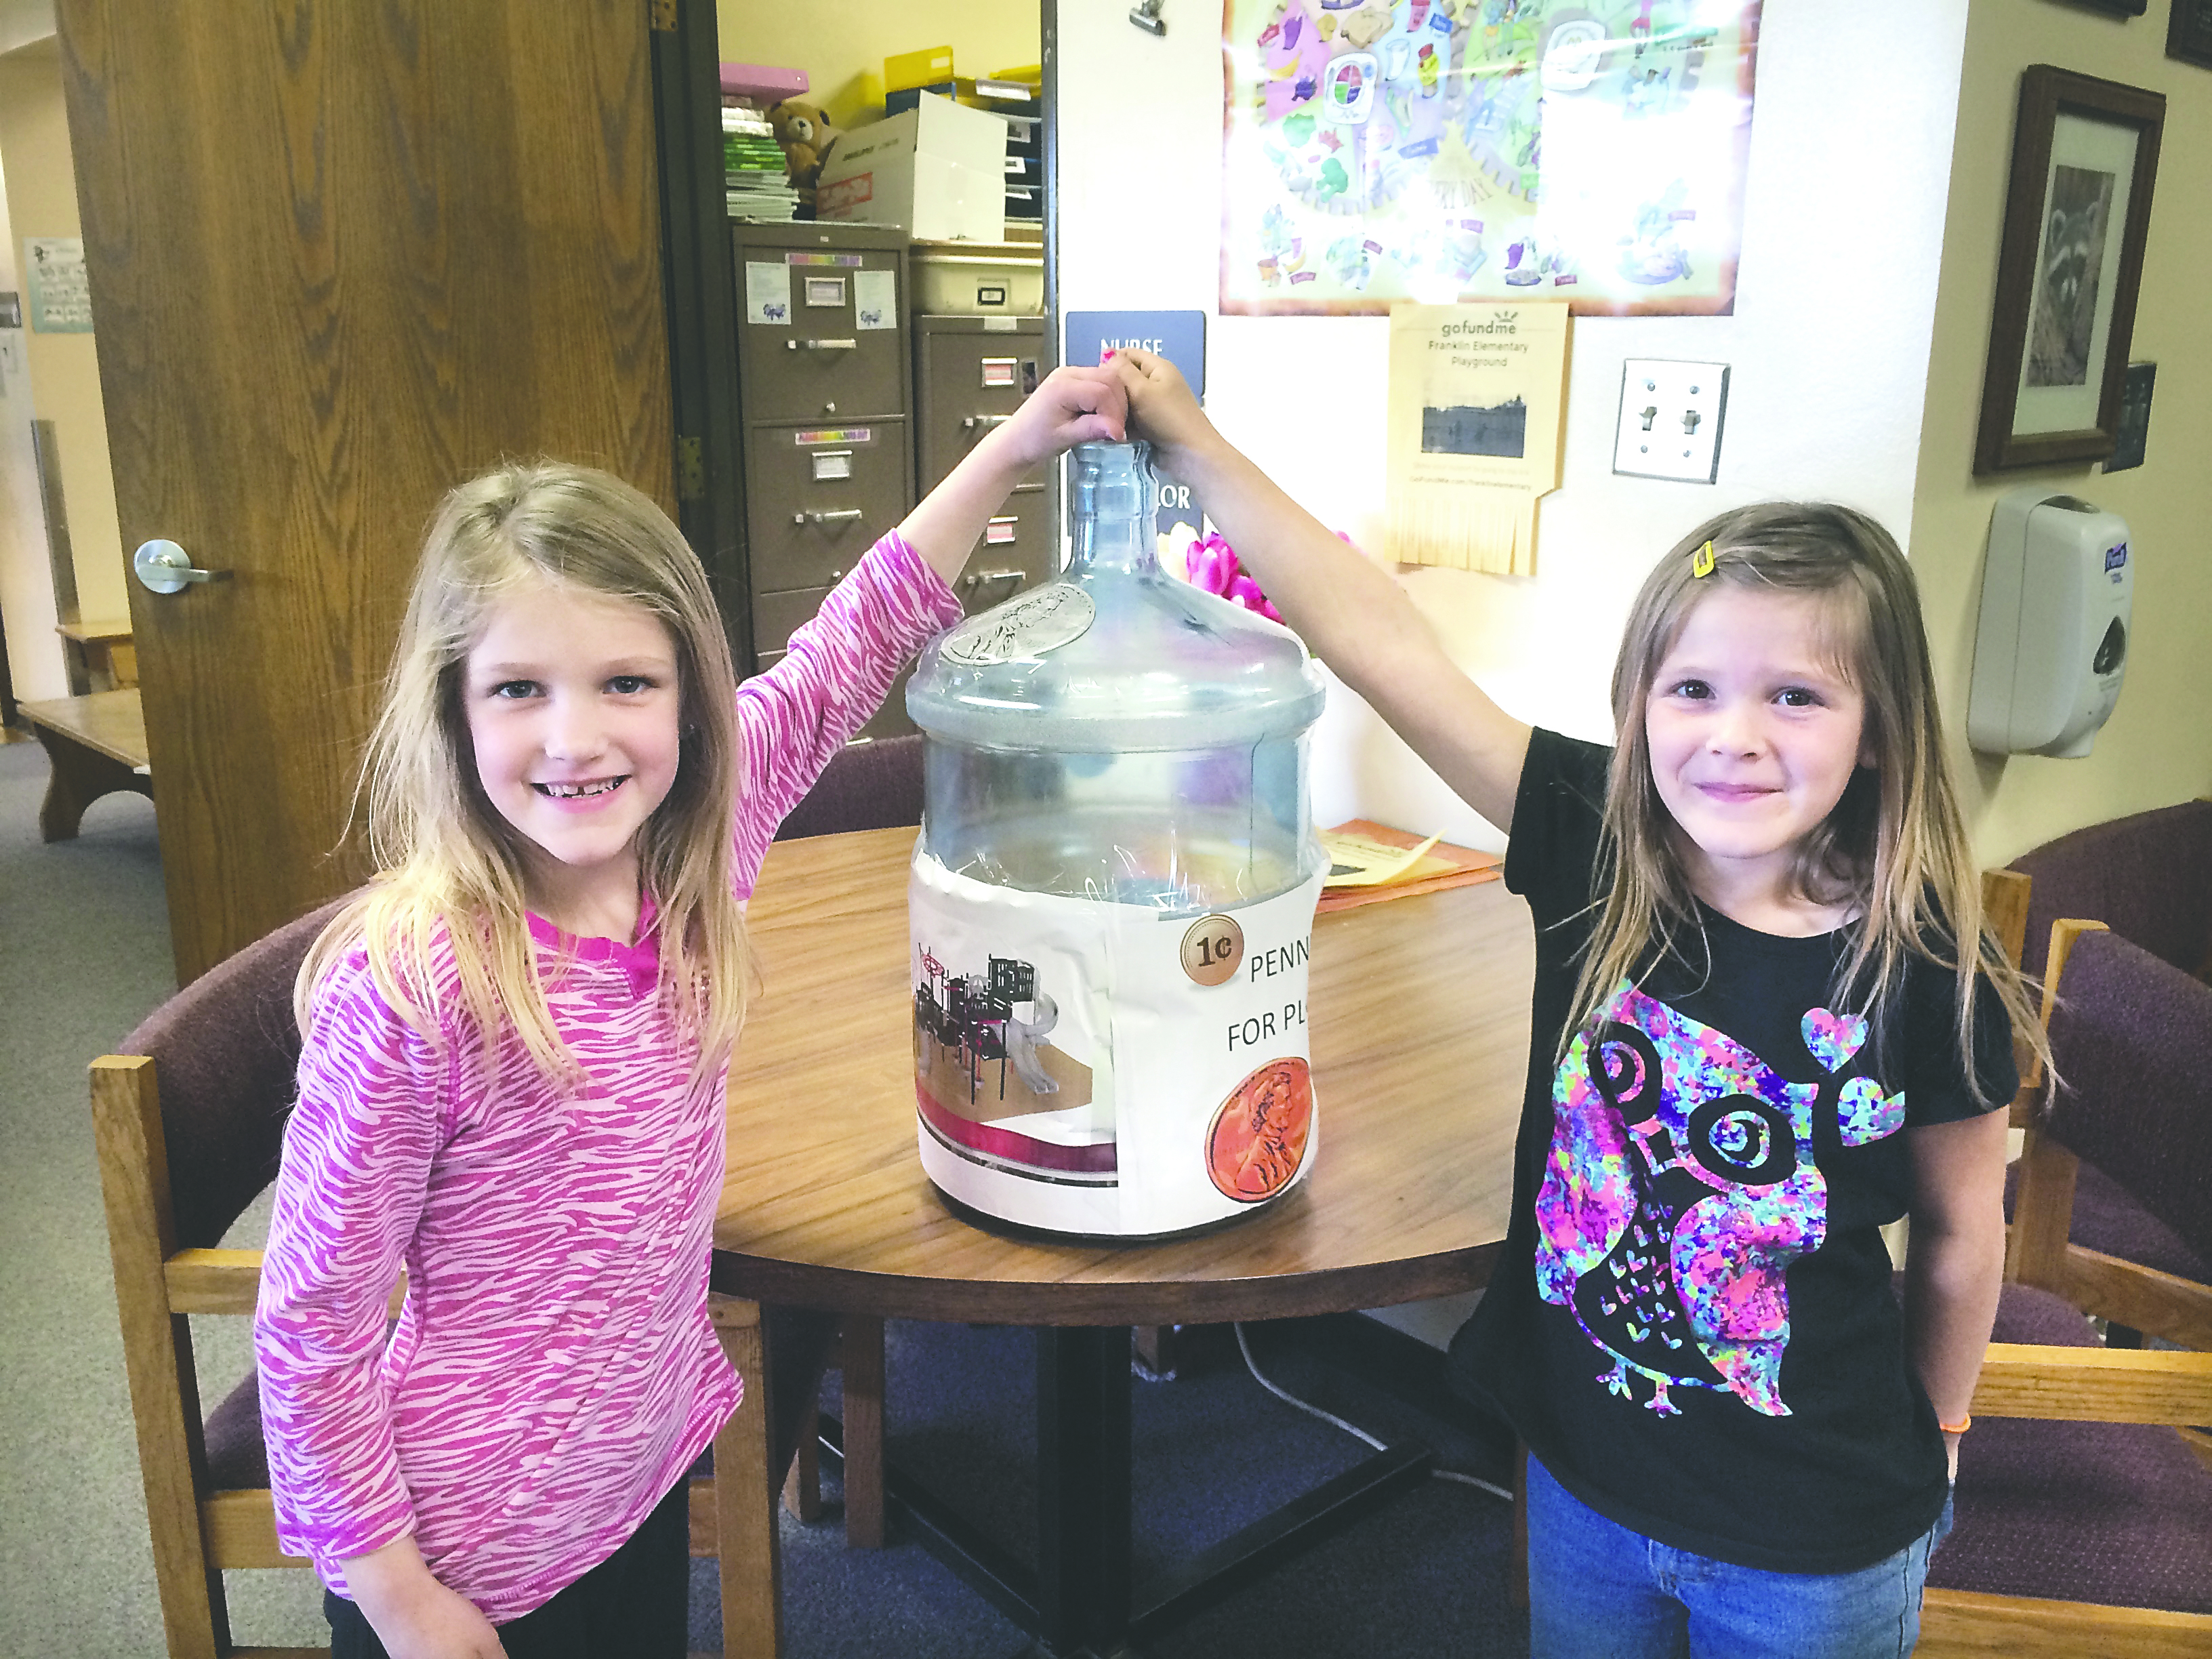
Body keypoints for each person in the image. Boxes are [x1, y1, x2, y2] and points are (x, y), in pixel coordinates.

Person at [1108, 348, 2046, 1658]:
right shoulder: (1598, 849)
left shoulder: (1923, 962)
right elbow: (1379, 642)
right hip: (1583, 1491)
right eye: (1695, 690)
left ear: (1878, 727)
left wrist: (1944, 1436)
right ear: (1639, 704)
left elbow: (1961, 1234)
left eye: (1797, 696)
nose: (1736, 737)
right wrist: (1187, 436)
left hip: (1814, 1542)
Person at [254, 366, 1130, 1659]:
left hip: (638, 1484)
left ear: (687, 696)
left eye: (626, 683)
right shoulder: (417, 983)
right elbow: (310, 1325)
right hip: (467, 1559)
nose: (575, 738)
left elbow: (848, 648)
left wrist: (1006, 450)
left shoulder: (691, 855)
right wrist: (397, 1596)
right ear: (452, 706)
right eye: (518, 690)